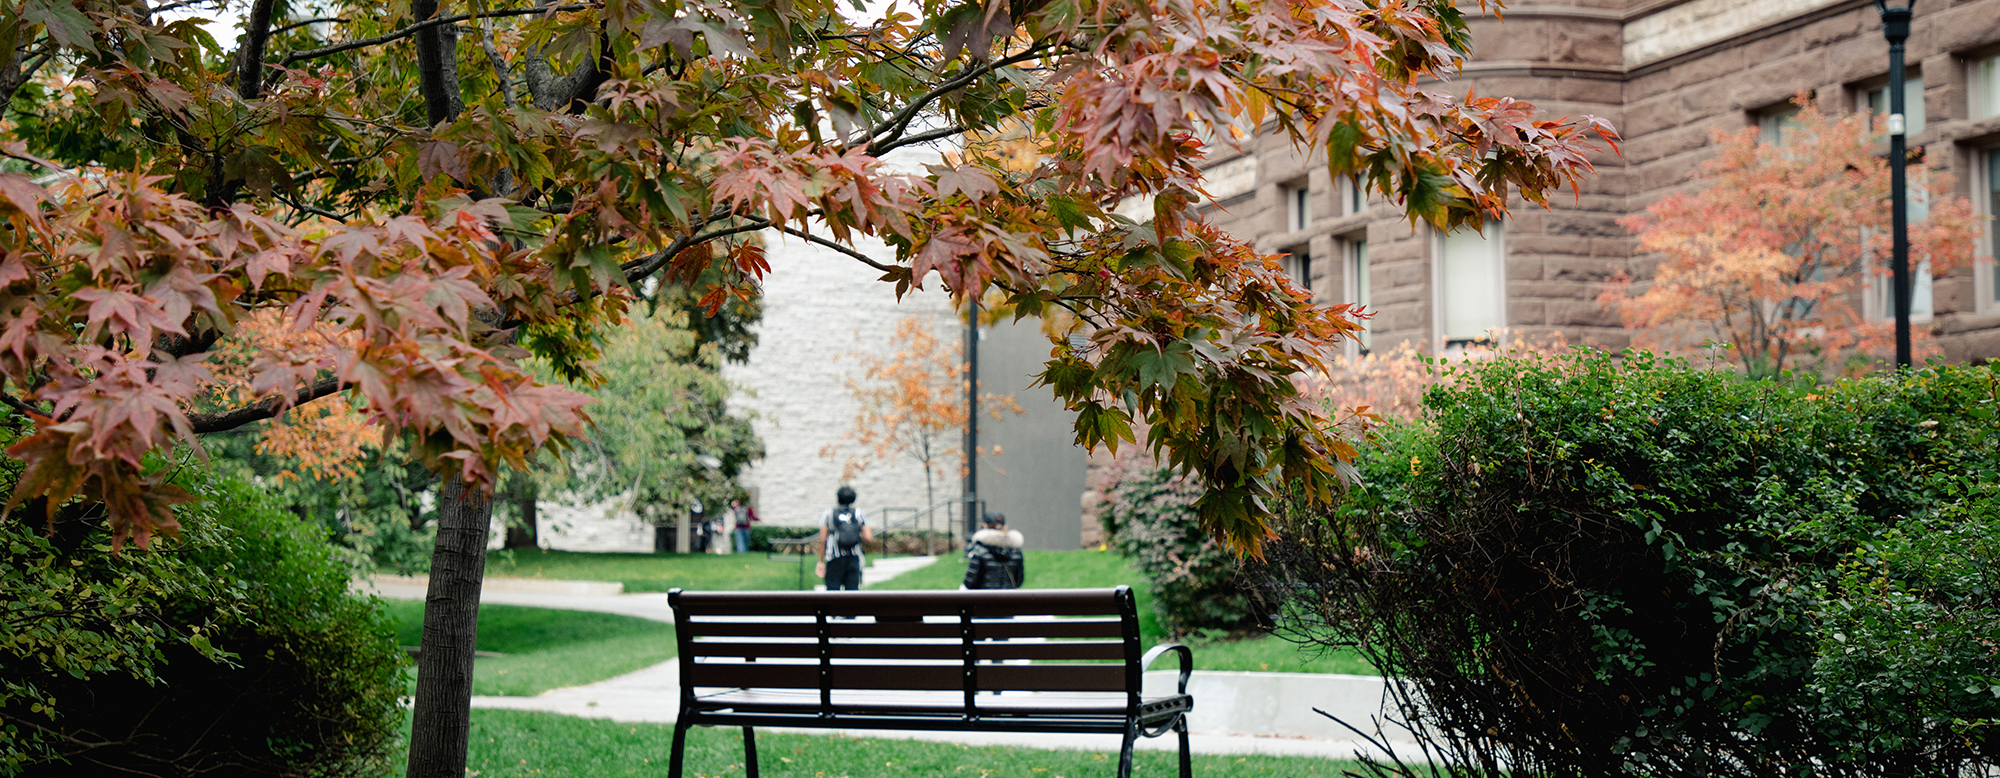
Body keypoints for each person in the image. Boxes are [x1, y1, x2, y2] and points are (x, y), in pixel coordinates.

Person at [814, 486, 872, 591]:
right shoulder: (859, 513)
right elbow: (868, 537)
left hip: (834, 558)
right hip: (854, 557)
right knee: (852, 593)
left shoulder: (828, 513)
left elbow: (823, 539)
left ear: (838, 498)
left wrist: (821, 561)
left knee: (832, 591)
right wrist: (856, 538)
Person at [963, 512, 1025, 589]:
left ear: (985, 526)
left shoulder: (979, 550)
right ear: (1005, 526)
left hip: (985, 598)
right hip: (1008, 598)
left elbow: (969, 582)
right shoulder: (1016, 551)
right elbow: (1018, 581)